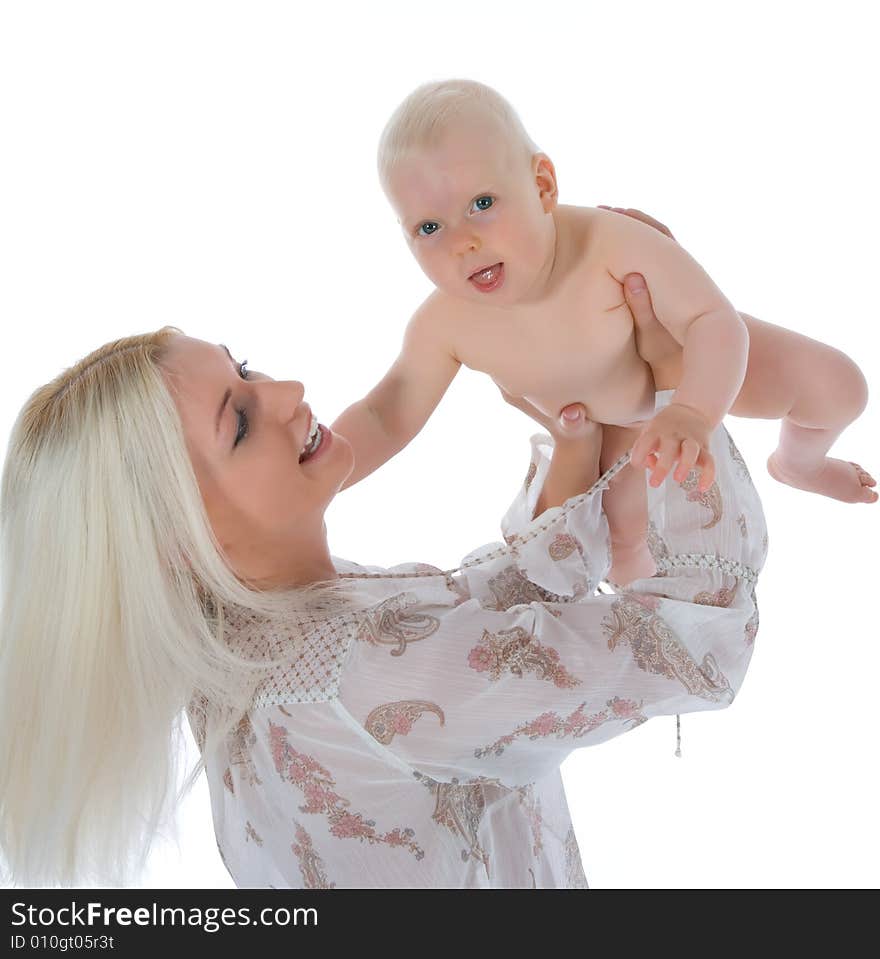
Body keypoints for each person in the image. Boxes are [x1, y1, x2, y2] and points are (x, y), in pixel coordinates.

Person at [0, 266, 766, 887]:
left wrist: (576, 441)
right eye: (237, 421)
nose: (288, 391)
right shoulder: (359, 675)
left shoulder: (256, 639)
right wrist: (683, 393)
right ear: (172, 539)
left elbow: (479, 616)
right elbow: (699, 647)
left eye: (246, 369)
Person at [331, 78, 875, 588]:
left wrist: (692, 411)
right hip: (615, 429)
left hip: (692, 367)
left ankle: (799, 464)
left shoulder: (611, 244)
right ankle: (655, 614)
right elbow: (388, 412)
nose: (461, 242)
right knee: (622, 549)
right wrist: (320, 478)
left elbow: (714, 322)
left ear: (542, 185)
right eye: (429, 227)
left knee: (839, 387)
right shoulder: (445, 322)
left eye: (482, 204)